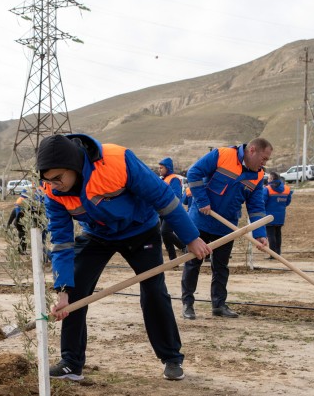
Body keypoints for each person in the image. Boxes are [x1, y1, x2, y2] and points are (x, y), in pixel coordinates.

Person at [37, 134, 211, 381]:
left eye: (57, 178)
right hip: (98, 234)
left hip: (141, 231)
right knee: (74, 291)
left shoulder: (116, 160)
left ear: (74, 166)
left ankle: (171, 357)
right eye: (47, 180)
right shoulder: (53, 192)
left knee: (154, 290)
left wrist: (190, 238)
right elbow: (62, 241)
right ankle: (71, 362)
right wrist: (62, 289)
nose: (53, 184)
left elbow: (162, 197)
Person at [181, 139, 272, 320]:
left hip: (226, 226)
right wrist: (202, 201)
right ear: (252, 150)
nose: (265, 163)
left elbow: (256, 206)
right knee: (193, 263)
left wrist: (260, 234)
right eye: (264, 158)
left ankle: (219, 305)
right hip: (201, 221)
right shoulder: (222, 155)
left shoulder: (258, 176)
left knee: (221, 266)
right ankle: (188, 304)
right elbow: (194, 172)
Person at [158, 157, 187, 260]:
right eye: (159, 167)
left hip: (171, 210)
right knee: (166, 236)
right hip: (162, 211)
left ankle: (184, 247)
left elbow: (176, 195)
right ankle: (173, 260)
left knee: (165, 232)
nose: (159, 169)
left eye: (161, 168)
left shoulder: (173, 179)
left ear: (168, 168)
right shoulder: (163, 179)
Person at [263, 171, 292, 256]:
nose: (267, 179)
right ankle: (278, 253)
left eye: (268, 178)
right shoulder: (286, 188)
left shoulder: (267, 189)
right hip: (281, 215)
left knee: (271, 235)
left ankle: (273, 254)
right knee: (278, 234)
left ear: (271, 179)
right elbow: (288, 202)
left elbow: (263, 202)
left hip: (269, 216)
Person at [7, 189, 28, 254]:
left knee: (21, 236)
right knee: (23, 236)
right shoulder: (24, 202)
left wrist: (8, 225)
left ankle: (21, 250)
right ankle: (22, 251)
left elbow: (12, 214)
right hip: (20, 222)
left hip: (17, 222)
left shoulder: (18, 201)